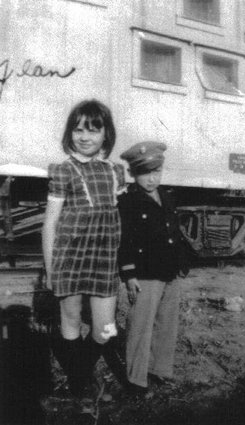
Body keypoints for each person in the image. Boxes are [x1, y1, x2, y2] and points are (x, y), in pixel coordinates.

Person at [42, 99, 126, 400]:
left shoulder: (115, 171)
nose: (85, 136)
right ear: (70, 133)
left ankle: (78, 372)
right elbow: (50, 224)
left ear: (106, 133)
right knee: (72, 318)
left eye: (93, 129)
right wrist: (51, 270)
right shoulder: (62, 170)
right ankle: (81, 386)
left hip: (104, 256)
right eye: (78, 129)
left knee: (105, 328)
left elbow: (123, 218)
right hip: (70, 255)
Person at [118, 141, 189, 395]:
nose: (152, 178)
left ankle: (160, 370)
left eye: (156, 172)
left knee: (166, 324)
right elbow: (124, 240)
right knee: (141, 327)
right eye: (145, 173)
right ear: (134, 174)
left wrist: (181, 263)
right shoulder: (129, 202)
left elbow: (174, 234)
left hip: (169, 271)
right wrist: (129, 274)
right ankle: (136, 381)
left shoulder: (167, 197)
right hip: (146, 274)